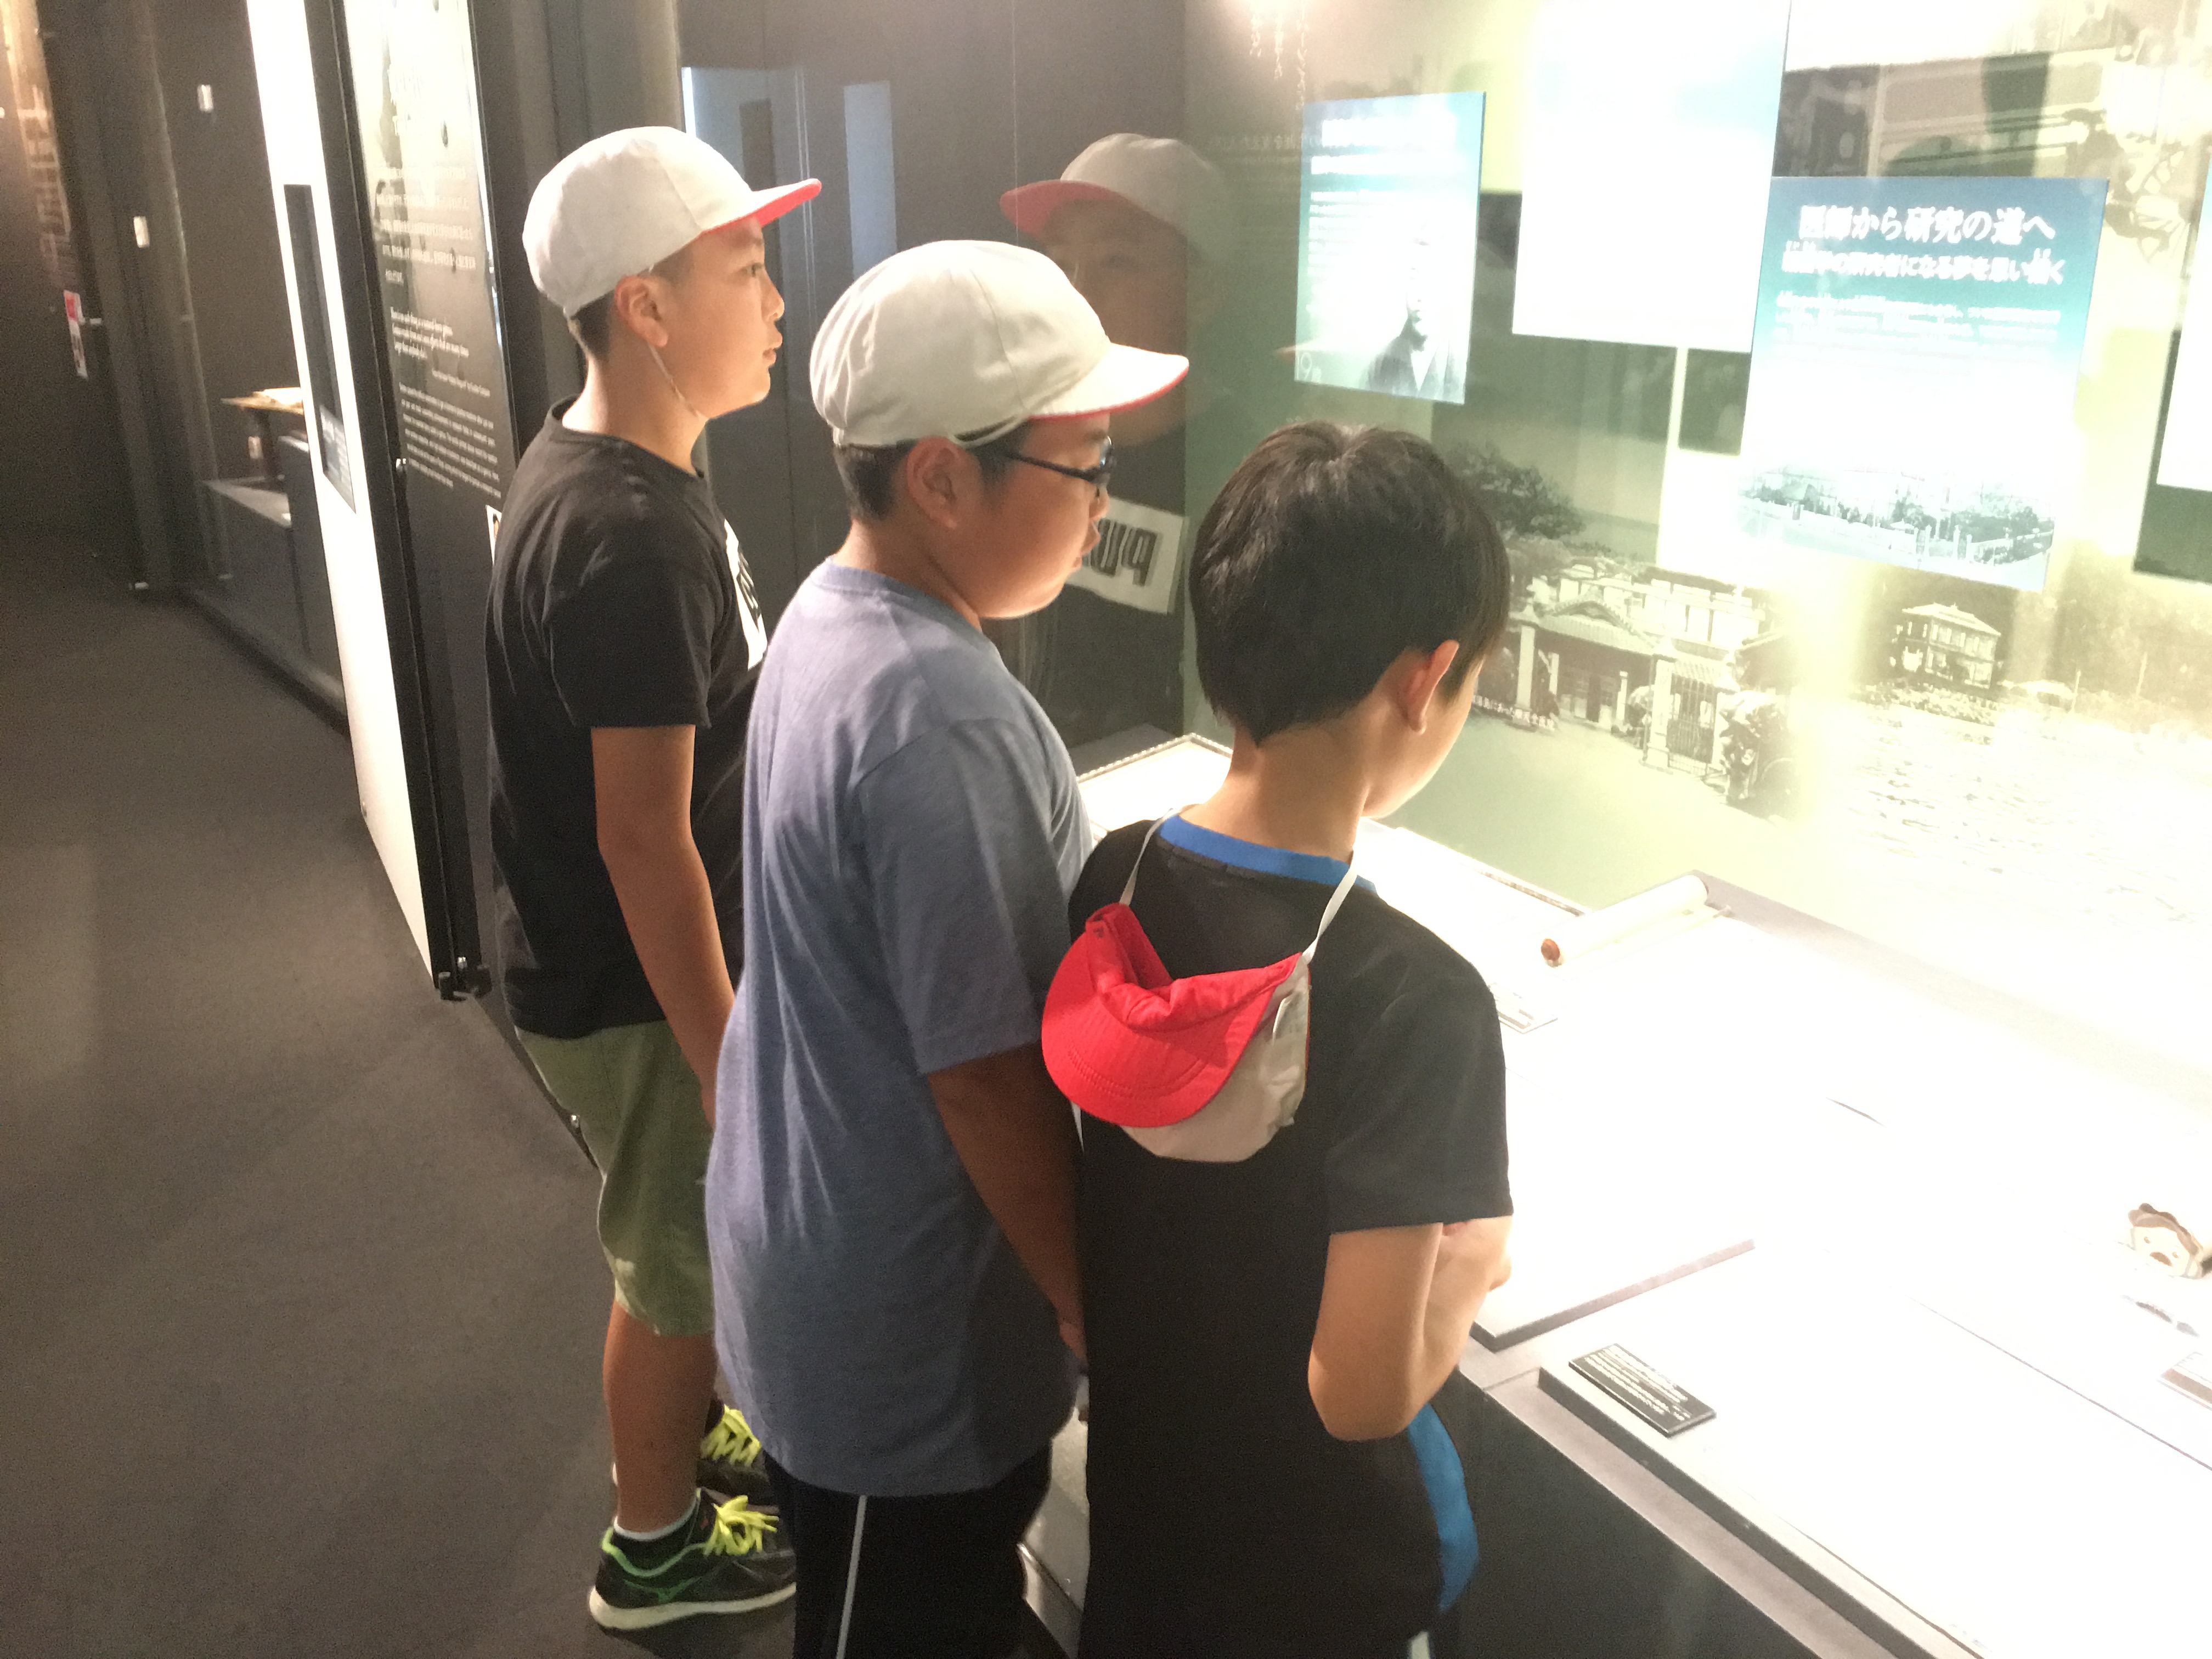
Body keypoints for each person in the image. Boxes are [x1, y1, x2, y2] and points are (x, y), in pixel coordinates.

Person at [704, 240, 1186, 1657]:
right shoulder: (937, 710)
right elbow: (984, 1076)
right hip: (898, 1334)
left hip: (819, 1237)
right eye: (1085, 465)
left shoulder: (832, 613)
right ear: (939, 477)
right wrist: (1097, 1313)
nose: (1104, 506)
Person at [1046, 422, 1516, 1658]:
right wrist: (1474, 1262)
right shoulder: (1421, 1002)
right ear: (1425, 679)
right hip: (1332, 1583)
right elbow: (1357, 1392)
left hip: (1150, 1535)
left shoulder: (1114, 880)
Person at [486, 126, 819, 1631]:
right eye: (744, 270)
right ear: (647, 305)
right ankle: (653, 1547)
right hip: (631, 991)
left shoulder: (610, 471)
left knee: (671, 1249)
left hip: (607, 967)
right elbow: (641, 836)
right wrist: (722, 1050)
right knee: (673, 1273)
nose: (778, 302)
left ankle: (682, 1444)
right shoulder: (627, 537)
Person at [998, 133, 1260, 746]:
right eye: (1062, 263)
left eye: (1117, 261)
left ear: (1203, 293)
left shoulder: (1244, 471)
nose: (1078, 293)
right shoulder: (1029, 438)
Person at [1362, 232, 1468, 403]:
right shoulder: (1378, 366)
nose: (1421, 295)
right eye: (1413, 278)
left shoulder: (1464, 365)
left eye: (1432, 280)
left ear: (1446, 288)